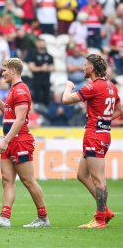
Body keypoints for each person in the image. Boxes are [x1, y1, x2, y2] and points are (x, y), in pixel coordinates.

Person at [0, 58, 50, 228]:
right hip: (10, 140)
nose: (2, 73)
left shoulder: (20, 90)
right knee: (7, 180)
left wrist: (5, 140)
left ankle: (43, 218)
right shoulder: (14, 90)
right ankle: (4, 218)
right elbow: (11, 113)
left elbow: (20, 120)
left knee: (28, 180)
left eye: (4, 70)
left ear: (13, 71)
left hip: (19, 140)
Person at [62, 54, 122, 228]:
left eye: (85, 65)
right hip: (101, 133)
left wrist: (68, 86)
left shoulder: (93, 86)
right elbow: (119, 110)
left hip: (95, 134)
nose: (83, 67)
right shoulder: (111, 85)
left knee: (98, 178)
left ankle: (100, 219)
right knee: (82, 174)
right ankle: (106, 211)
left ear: (92, 68)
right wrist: (103, 120)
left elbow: (66, 100)